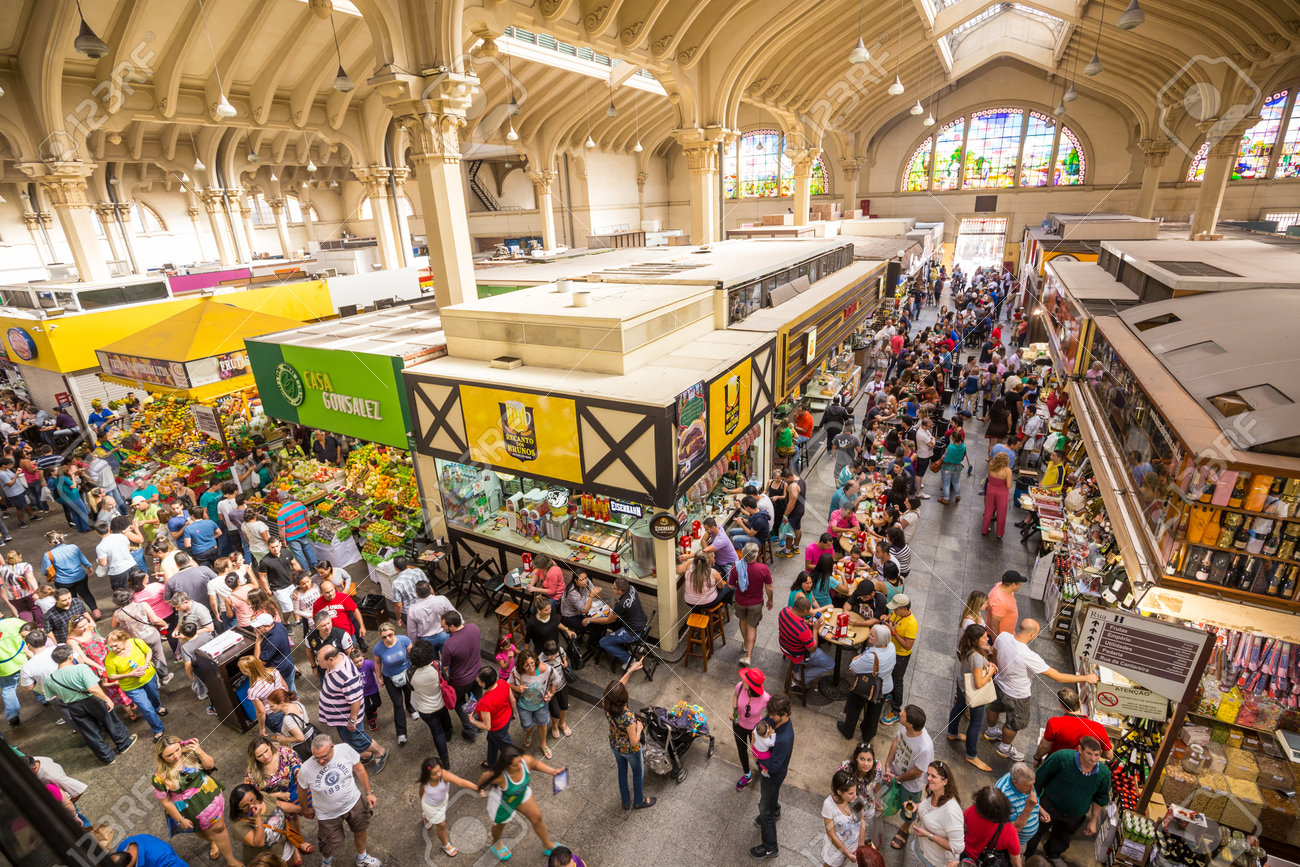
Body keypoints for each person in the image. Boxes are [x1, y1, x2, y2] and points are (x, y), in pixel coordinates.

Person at [985, 620, 1100, 762]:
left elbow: (994, 653)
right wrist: (1086, 677)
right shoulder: (1029, 656)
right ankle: (1005, 747)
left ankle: (990, 731)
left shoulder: (1003, 637)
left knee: (994, 707)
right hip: (1017, 695)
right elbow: (1058, 677)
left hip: (998, 683)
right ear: (1032, 634)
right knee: (1014, 723)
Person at [152, 736, 242, 866]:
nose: (176, 756)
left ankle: (231, 860)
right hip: (188, 809)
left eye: (177, 750)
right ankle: (213, 840)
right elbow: (165, 801)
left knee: (219, 827)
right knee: (200, 831)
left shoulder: (191, 753)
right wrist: (180, 820)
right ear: (161, 757)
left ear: (180, 744)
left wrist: (199, 751)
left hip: (209, 797)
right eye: (169, 755)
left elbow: (210, 765)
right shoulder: (158, 777)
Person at [296, 735, 381, 867]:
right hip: (327, 814)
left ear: (332, 747)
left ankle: (362, 856)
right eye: (316, 757)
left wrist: (369, 793)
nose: (320, 761)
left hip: (353, 801)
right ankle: (326, 861)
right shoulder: (306, 769)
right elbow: (301, 789)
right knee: (329, 843)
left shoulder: (345, 750)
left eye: (324, 756)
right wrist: (305, 809)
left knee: (360, 828)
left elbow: (359, 768)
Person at [475, 744, 566, 861]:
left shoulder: (525, 760)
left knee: (537, 817)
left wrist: (553, 771)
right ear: (505, 765)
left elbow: (536, 764)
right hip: (503, 803)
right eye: (515, 765)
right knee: (500, 825)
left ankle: (547, 845)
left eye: (520, 761)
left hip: (521, 794)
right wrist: (479, 790)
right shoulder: (499, 776)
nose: (519, 766)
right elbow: (484, 777)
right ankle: (496, 843)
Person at [1027, 737, 1111, 860]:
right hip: (1048, 807)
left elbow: (1100, 798)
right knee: (1034, 831)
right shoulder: (1062, 758)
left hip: (1074, 816)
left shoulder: (1103, 774)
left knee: (1061, 838)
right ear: (1080, 750)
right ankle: (1027, 855)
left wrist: (1093, 820)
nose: (1093, 759)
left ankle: (1052, 856)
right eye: (1089, 753)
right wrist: (1034, 805)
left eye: (1097, 755)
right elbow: (1039, 780)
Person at [315, 643, 389, 772]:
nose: (318, 663)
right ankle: (365, 754)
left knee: (358, 738)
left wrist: (352, 719)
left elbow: (355, 700)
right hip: (341, 717)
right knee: (348, 738)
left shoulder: (345, 675)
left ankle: (380, 752)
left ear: (331, 659)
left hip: (348, 718)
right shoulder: (341, 657)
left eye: (320, 661)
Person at [603, 658, 654, 810]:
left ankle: (625, 802)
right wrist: (639, 727)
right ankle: (639, 801)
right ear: (624, 698)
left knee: (622, 771)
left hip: (614, 745)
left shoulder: (606, 703)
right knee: (637, 773)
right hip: (630, 750)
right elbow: (634, 741)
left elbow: (616, 689)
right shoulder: (628, 718)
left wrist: (631, 670)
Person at [946, 623, 998, 771]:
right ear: (976, 640)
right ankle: (971, 755)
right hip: (974, 694)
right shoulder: (976, 657)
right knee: (976, 723)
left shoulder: (965, 646)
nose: (987, 638)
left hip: (962, 685)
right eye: (984, 637)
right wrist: (991, 671)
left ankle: (952, 732)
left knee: (958, 708)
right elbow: (979, 683)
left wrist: (988, 663)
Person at [751, 693, 794, 860]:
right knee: (771, 797)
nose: (769, 717)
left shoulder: (784, 738)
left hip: (772, 774)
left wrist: (757, 760)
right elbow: (762, 723)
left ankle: (770, 847)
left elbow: (774, 766)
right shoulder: (775, 718)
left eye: (773, 715)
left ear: (784, 715)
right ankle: (775, 810)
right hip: (773, 774)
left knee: (764, 808)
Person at [894, 761, 963, 865]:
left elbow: (958, 847)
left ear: (945, 781)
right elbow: (930, 807)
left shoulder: (951, 811)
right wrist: (917, 806)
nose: (928, 778)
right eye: (928, 775)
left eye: (933, 776)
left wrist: (929, 835)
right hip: (922, 847)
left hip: (934, 861)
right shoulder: (935, 792)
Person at [105, 628, 167, 740]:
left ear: (124, 640)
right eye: (110, 646)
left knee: (154, 696)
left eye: (115, 645)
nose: (112, 649)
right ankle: (158, 729)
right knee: (146, 708)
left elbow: (148, 651)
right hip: (131, 687)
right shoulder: (110, 659)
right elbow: (111, 676)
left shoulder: (136, 642)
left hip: (148, 677)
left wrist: (146, 663)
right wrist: (130, 674)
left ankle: (157, 708)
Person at [838, 624, 897, 742]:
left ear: (879, 640)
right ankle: (868, 735)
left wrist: (858, 657)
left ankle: (848, 730)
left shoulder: (871, 657)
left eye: (872, 635)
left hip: (867, 688)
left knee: (854, 707)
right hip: (884, 687)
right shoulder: (891, 646)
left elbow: (853, 667)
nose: (868, 635)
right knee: (874, 714)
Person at [883, 706, 936, 836]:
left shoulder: (924, 747)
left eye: (903, 715)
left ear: (910, 724)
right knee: (884, 795)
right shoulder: (904, 727)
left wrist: (898, 779)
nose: (900, 714)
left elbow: (917, 773)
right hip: (894, 773)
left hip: (911, 786)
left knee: (909, 809)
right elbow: (897, 740)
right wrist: (888, 764)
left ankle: (905, 828)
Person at [227, 783, 307, 866]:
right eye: (245, 805)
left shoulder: (263, 797)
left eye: (252, 800)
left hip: (285, 846)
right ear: (238, 808)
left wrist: (304, 810)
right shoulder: (238, 825)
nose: (251, 806)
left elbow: (280, 805)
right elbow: (259, 842)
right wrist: (257, 817)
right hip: (269, 861)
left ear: (255, 794)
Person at [418, 756, 478, 858]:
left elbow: (461, 782)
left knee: (435, 820)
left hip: (442, 801)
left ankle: (426, 817)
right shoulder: (425, 782)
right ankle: (445, 845)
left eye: (439, 771)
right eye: (434, 774)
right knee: (441, 825)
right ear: (427, 774)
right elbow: (421, 794)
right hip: (431, 807)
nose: (438, 775)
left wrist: (477, 788)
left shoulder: (444, 774)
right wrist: (426, 805)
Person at [1034, 687, 1115, 762]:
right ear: (1080, 703)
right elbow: (1109, 755)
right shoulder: (1098, 728)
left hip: (1056, 762)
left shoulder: (1054, 722)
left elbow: (1044, 746)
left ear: (1061, 706)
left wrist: (1037, 758)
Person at [408, 639, 453, 767]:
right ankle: (449, 733)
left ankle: (445, 761)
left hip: (425, 710)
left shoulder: (410, 674)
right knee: (445, 719)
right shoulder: (437, 665)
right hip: (441, 702)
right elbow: (445, 679)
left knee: (437, 733)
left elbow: (411, 688)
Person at [370, 621, 416, 745]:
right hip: (390, 678)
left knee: (409, 694)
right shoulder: (378, 648)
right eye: (384, 637)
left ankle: (411, 708)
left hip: (406, 674)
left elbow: (412, 654)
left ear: (394, 632)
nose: (388, 639)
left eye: (390, 635)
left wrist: (416, 669)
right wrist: (378, 677)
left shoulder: (404, 640)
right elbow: (377, 663)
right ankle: (401, 733)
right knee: (397, 704)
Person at [440, 610, 483, 741]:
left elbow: (445, 667)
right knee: (474, 698)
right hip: (477, 674)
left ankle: (471, 729)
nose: (442, 629)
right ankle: (478, 722)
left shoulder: (449, 644)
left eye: (444, 627)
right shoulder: (474, 628)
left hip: (460, 681)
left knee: (459, 702)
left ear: (452, 626)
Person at [509, 646, 556, 760]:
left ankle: (543, 744)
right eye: (527, 665)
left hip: (541, 704)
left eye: (532, 663)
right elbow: (508, 684)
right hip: (524, 705)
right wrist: (517, 688)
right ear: (521, 665)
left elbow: (555, 681)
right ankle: (529, 733)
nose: (531, 667)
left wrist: (551, 693)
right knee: (526, 725)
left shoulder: (544, 669)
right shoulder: (516, 672)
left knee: (542, 724)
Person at [730, 542, 773, 667]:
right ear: (755, 556)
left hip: (740, 601)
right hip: (755, 603)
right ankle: (748, 656)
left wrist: (740, 584)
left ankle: (745, 642)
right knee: (752, 627)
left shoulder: (736, 567)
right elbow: (769, 588)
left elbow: (731, 585)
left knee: (743, 621)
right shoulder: (763, 568)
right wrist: (770, 600)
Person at [777, 594, 835, 684]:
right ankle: (799, 677)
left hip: (783, 646)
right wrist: (815, 630)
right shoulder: (803, 630)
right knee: (830, 663)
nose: (809, 613)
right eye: (808, 611)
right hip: (797, 655)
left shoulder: (785, 610)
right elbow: (812, 649)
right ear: (804, 611)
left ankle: (796, 669)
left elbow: (794, 620)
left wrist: (806, 622)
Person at [593, 575, 648, 669]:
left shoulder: (621, 605)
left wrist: (589, 620)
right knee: (618, 624)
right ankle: (635, 647)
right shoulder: (631, 588)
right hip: (644, 625)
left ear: (620, 591)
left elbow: (608, 620)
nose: (612, 587)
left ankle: (628, 659)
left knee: (603, 642)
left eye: (614, 587)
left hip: (634, 633)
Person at [880, 594, 918, 726]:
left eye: (896, 609)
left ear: (904, 609)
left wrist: (893, 632)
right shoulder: (897, 614)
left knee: (897, 680)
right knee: (890, 675)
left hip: (901, 655)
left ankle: (896, 711)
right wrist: (887, 618)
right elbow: (891, 616)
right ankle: (891, 694)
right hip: (891, 650)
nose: (893, 611)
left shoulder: (912, 624)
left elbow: (908, 645)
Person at [42, 531, 98, 619]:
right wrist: (89, 567)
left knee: (70, 599)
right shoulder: (73, 547)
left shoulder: (48, 555)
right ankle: (96, 611)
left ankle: (78, 617)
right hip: (80, 576)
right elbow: (82, 559)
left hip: (63, 581)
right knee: (86, 594)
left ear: (50, 543)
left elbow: (45, 571)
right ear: (61, 538)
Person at [822, 767, 871, 867]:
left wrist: (860, 847)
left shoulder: (856, 800)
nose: (855, 795)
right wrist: (847, 853)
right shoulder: (828, 805)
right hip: (836, 848)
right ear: (839, 792)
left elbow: (862, 821)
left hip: (854, 845)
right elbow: (831, 834)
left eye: (855, 791)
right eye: (850, 793)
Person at [732, 667, 770, 792]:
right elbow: (735, 696)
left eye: (745, 680)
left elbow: (772, 714)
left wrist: (765, 728)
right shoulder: (740, 686)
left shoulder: (765, 698)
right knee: (741, 750)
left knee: (757, 752)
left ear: (753, 686)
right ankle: (747, 775)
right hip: (738, 725)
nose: (742, 680)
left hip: (755, 729)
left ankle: (760, 769)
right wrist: (734, 711)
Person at [840, 743, 884, 848]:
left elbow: (877, 788)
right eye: (862, 759)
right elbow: (835, 786)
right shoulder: (846, 768)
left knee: (864, 827)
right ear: (856, 758)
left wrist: (879, 806)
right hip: (850, 805)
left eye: (869, 760)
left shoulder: (877, 769)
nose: (866, 764)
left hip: (868, 805)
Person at [471, 664, 516, 768]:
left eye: (478, 679)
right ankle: (491, 761)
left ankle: (515, 762)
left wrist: (472, 720)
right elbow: (512, 700)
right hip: (507, 716)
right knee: (491, 740)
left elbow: (487, 726)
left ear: (483, 683)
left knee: (506, 746)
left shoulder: (484, 702)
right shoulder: (502, 682)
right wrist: (513, 713)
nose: (476, 679)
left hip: (497, 727)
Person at [996, 763, 1041, 851]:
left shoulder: (1025, 781)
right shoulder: (1005, 796)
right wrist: (1029, 808)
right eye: (1027, 785)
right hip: (1012, 843)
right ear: (1014, 782)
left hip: (1023, 840)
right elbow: (1013, 830)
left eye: (1033, 784)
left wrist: (1041, 810)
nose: (1032, 789)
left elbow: (1033, 798)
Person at [256, 538, 300, 621]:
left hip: (291, 584)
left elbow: (294, 564)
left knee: (296, 603)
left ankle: (297, 620)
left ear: (280, 544)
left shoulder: (286, 552)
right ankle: (286, 622)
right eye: (273, 547)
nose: (275, 549)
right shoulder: (265, 561)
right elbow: (262, 577)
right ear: (269, 547)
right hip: (279, 588)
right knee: (288, 609)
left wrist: (301, 577)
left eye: (277, 546)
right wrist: (266, 589)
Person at [406, 580, 455, 650]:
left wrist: (414, 643)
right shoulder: (442, 600)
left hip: (426, 640)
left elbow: (412, 631)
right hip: (443, 634)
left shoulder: (412, 609)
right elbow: (454, 614)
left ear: (417, 594)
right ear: (430, 588)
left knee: (431, 660)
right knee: (448, 659)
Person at [1, 548, 42, 626]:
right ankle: (40, 627)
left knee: (22, 611)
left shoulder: (2, 569)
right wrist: (37, 592)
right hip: (29, 593)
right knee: (35, 608)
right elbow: (31, 579)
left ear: (7, 559)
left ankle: (28, 631)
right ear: (19, 556)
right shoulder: (25, 566)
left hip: (13, 596)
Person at [275, 497, 317, 571]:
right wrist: (308, 526)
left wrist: (283, 540)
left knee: (299, 553)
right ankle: (316, 565)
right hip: (303, 531)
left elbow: (281, 528)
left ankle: (307, 571)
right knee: (307, 547)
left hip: (292, 537)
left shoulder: (281, 513)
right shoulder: (300, 504)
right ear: (289, 497)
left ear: (280, 500)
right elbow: (307, 516)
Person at [982, 452, 1014, 538]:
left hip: (991, 489)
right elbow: (1009, 485)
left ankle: (984, 529)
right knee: (1001, 512)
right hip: (1002, 492)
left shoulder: (991, 466)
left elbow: (989, 478)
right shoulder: (1008, 470)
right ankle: (999, 533)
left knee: (988, 510)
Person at [987, 571, 1025, 636]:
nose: (1020, 585)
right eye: (1019, 584)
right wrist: (996, 642)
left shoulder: (1000, 585)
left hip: (1007, 634)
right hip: (1001, 636)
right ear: (1013, 585)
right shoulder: (1000, 602)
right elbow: (994, 624)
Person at [937, 429, 970, 505]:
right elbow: (962, 457)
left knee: (946, 483)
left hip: (947, 467)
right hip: (957, 467)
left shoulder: (950, 447)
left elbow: (944, 457)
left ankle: (946, 499)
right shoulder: (963, 447)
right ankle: (958, 496)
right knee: (956, 481)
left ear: (954, 438)